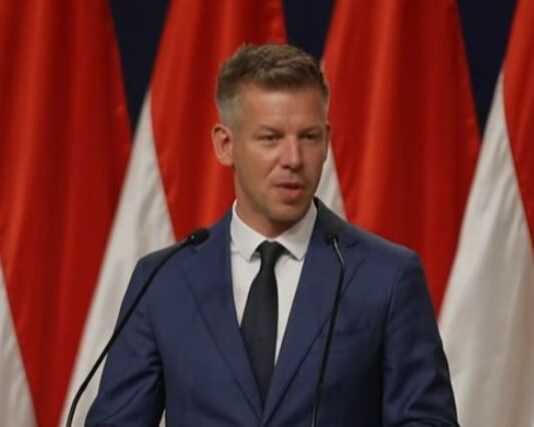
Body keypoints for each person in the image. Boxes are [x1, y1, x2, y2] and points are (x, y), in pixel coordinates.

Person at [86, 44, 458, 426]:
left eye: (309, 137)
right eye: (270, 138)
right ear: (225, 145)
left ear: (327, 141)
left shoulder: (387, 277)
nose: (293, 159)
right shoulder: (162, 281)